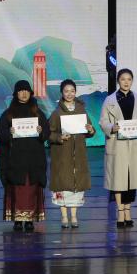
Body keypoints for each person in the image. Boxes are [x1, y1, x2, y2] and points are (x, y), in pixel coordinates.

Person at [98, 68, 137, 229]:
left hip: (133, 144)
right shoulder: (109, 100)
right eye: (123, 79)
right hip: (117, 144)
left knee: (131, 180)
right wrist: (111, 127)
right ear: (118, 81)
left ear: (132, 81)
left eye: (129, 79)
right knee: (118, 180)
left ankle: (128, 211)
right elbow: (103, 121)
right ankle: (120, 212)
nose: (126, 82)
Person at [0, 80, 49, 232]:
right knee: (17, 190)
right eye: (21, 91)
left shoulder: (37, 112)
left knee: (31, 189)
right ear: (16, 94)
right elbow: (0, 132)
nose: (24, 93)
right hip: (15, 160)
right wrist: (9, 133)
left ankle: (30, 219)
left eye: (26, 91)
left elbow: (47, 132)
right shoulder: (8, 113)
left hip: (33, 159)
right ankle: (18, 220)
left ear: (30, 93)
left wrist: (41, 131)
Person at [48, 79, 96, 228]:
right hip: (62, 156)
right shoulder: (57, 113)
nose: (69, 94)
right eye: (66, 91)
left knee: (76, 185)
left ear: (76, 92)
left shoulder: (82, 111)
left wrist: (91, 130)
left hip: (78, 155)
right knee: (63, 185)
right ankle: (64, 217)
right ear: (62, 93)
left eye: (72, 91)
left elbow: (89, 131)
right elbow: (49, 134)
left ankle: (74, 216)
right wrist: (59, 137)